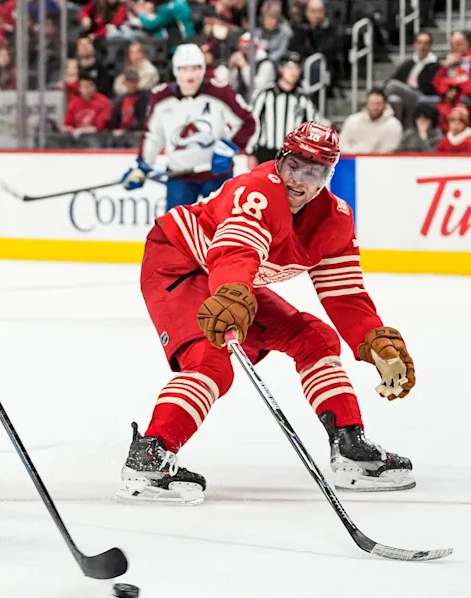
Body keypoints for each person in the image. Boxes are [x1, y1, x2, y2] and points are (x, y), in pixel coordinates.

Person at [118, 121, 415, 505]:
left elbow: (345, 294)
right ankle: (149, 457)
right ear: (279, 160)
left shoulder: (335, 219)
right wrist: (231, 294)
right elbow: (235, 252)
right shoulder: (256, 191)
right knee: (212, 361)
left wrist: (373, 341)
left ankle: (349, 446)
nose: (299, 180)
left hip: (231, 280)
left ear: (328, 175)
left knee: (315, 338)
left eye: (314, 172)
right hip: (179, 261)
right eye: (294, 166)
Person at [121, 44, 256, 210]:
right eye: (184, 69)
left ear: (203, 69)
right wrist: (142, 167)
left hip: (216, 176)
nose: (190, 74)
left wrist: (227, 148)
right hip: (179, 177)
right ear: (176, 71)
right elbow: (153, 136)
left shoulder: (220, 92)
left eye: (195, 68)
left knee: (219, 231)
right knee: (175, 232)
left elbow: (247, 122)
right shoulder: (161, 98)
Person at [247, 51, 317, 166]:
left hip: (293, 155)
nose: (293, 72)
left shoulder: (304, 99)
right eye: (290, 67)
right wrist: (250, 153)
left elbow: (312, 128)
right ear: (281, 69)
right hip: (266, 153)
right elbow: (254, 123)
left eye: (297, 68)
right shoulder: (264, 94)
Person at [340, 88, 403, 153]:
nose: (375, 107)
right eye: (372, 103)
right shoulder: (352, 120)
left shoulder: (393, 125)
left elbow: (389, 151)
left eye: (378, 104)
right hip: (352, 160)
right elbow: (341, 145)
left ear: (385, 104)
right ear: (366, 103)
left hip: (380, 161)